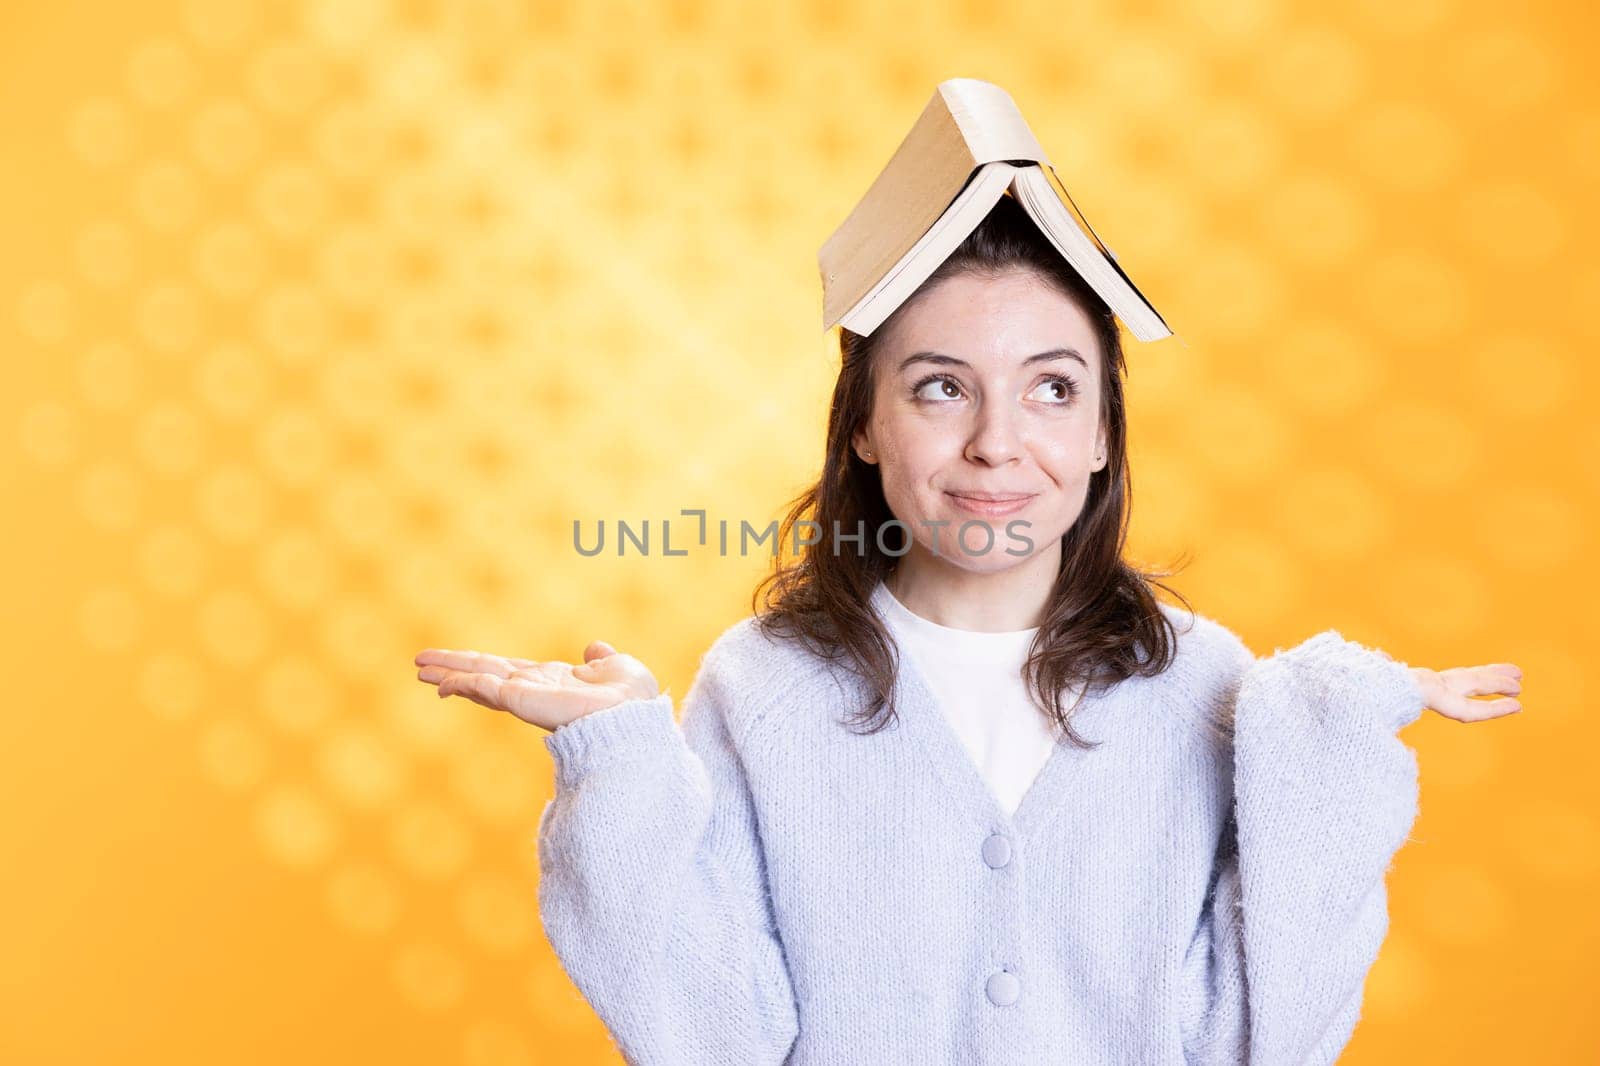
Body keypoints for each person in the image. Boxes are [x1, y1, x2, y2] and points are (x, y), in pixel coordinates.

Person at [414, 194, 1524, 1065]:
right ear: (862, 425)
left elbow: (1256, 1037)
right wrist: (615, 769)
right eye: (942, 388)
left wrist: (1330, 748)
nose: (998, 444)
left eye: (1051, 390)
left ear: (1101, 436)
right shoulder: (761, 689)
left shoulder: (1210, 691)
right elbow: (710, 1036)